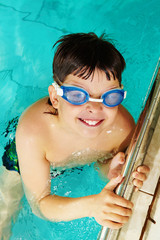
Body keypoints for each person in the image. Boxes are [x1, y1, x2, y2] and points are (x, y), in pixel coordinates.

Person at [15, 32, 150, 229]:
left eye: (109, 96)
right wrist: (91, 206)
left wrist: (114, 170)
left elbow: (103, 163)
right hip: (21, 161)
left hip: (72, 161)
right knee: (6, 204)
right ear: (55, 98)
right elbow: (39, 203)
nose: (94, 109)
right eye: (78, 95)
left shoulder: (122, 128)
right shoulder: (34, 133)